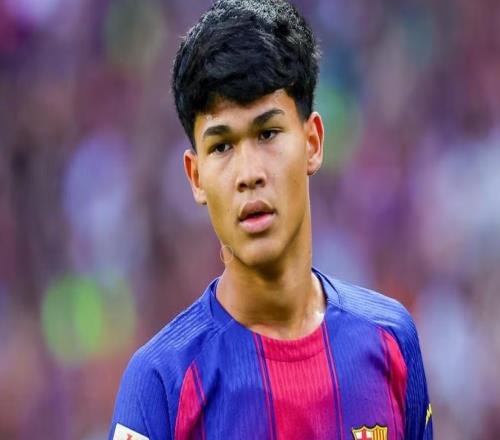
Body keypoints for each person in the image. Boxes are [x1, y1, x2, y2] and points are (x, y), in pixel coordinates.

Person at [108, 1, 433, 439]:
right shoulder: (160, 382)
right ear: (196, 176)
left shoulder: (391, 340)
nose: (249, 173)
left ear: (313, 143)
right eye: (222, 146)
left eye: (267, 134)